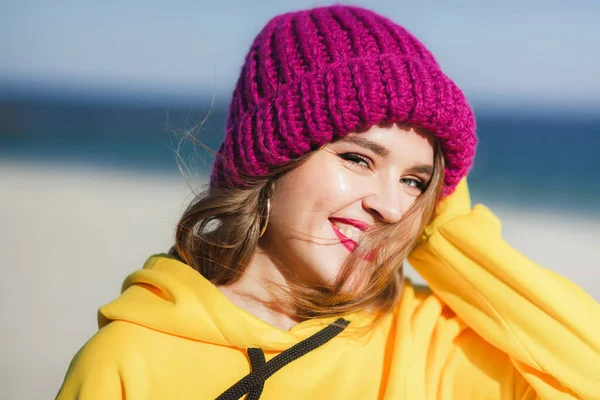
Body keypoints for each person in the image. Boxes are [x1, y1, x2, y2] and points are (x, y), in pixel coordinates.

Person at [56, 5, 600, 399]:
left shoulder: (434, 343)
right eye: (358, 159)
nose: (391, 206)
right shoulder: (130, 359)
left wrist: (446, 231)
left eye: (415, 181)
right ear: (271, 159)